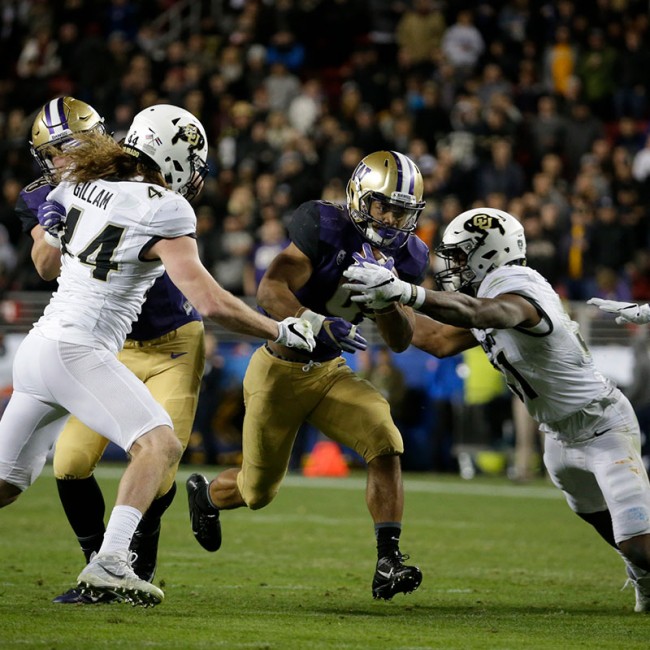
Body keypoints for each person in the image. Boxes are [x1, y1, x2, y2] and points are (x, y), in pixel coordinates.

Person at [0, 103, 315, 607]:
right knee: (160, 447)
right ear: (173, 159)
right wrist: (281, 329)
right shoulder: (165, 207)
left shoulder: (73, 185)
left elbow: (48, 248)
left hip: (40, 349)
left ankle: (110, 561)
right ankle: (110, 562)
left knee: (7, 482)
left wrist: (52, 222)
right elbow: (211, 301)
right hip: (83, 350)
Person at [344, 206, 650, 612]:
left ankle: (642, 567)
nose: (452, 266)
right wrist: (383, 303)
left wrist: (406, 292)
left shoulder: (516, 285)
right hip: (558, 437)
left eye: (459, 255)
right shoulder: (490, 291)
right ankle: (643, 572)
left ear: (488, 251)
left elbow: (488, 313)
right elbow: (437, 338)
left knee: (636, 541)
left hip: (602, 424)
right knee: (607, 526)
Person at [186, 150, 430, 600]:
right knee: (256, 491)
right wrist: (316, 322)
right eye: (385, 206)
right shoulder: (326, 224)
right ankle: (204, 496)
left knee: (385, 439)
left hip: (330, 373)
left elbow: (399, 339)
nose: (394, 219)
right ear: (360, 198)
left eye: (403, 211)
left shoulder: (410, 255)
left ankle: (388, 561)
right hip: (278, 371)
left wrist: (388, 300)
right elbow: (269, 289)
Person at [15, 96, 206, 605]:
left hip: (170, 340)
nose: (63, 159)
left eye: (72, 147)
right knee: (69, 464)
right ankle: (99, 566)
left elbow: (164, 198)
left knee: (158, 454)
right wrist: (58, 218)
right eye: (53, 152)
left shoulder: (139, 178)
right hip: (100, 343)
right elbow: (45, 268)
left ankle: (127, 563)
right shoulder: (55, 191)